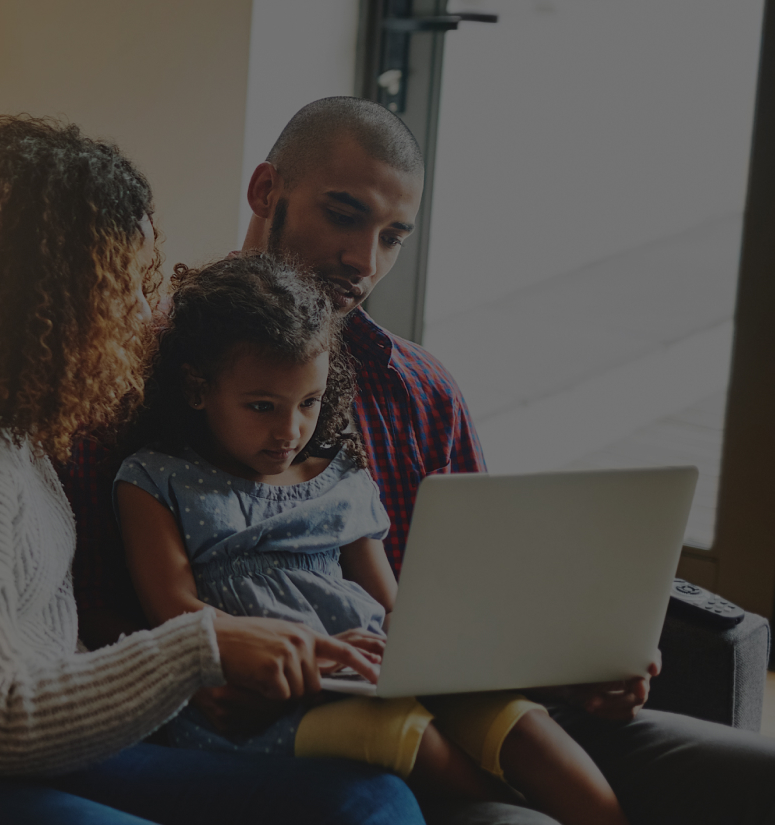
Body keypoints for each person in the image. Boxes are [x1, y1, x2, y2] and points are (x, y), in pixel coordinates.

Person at [65, 96, 775, 825]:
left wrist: (574, 664)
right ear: (268, 189)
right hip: (306, 729)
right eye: (344, 214)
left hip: (481, 705)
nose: (363, 259)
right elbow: (87, 610)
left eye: (394, 236)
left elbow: (470, 605)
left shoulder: (421, 390)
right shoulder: (132, 380)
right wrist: (205, 670)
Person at [0, 114, 422, 824]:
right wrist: (203, 644)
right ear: (43, 298)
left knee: (369, 800)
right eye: (126, 286)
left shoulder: (0, 420)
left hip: (57, 751)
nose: (145, 312)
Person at [118, 253, 628, 825]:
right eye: (261, 407)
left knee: (523, 727)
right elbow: (176, 613)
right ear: (196, 388)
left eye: (307, 404)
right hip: (262, 703)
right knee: (401, 734)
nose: (289, 431)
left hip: (370, 675)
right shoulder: (155, 478)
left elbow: (390, 609)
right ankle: (518, 813)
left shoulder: (341, 477)